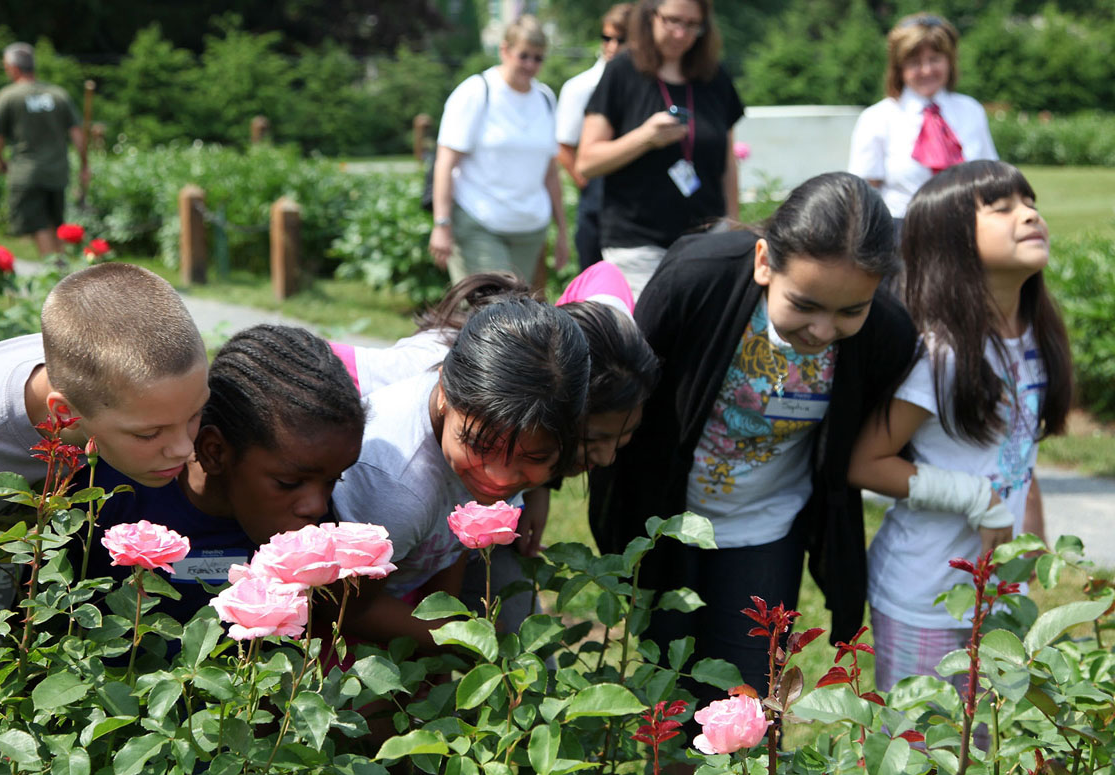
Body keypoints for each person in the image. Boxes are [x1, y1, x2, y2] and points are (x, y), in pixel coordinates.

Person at [588, 172, 918, 697]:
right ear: (765, 262)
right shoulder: (697, 277)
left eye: (850, 310)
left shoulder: (888, 333)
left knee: (751, 701)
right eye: (805, 305)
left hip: (767, 528)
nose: (823, 331)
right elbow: (623, 388)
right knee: (667, 698)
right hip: (670, 519)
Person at [0, 262, 208, 737]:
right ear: (64, 412)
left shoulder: (116, 375)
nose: (183, 448)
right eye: (150, 432)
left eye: (195, 414)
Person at [847, 161, 1071, 693]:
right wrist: (976, 497)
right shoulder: (942, 353)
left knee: (986, 755)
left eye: (1030, 201)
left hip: (994, 593)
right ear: (951, 241)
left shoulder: (1033, 335)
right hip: (926, 596)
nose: (1030, 214)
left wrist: (1028, 542)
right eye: (1003, 207)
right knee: (925, 759)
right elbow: (866, 462)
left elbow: (1019, 455)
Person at [331, 299, 591, 650]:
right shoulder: (397, 489)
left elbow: (451, 544)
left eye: (534, 457)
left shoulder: (485, 431)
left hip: (405, 598)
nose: (499, 478)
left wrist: (449, 620)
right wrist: (465, 644)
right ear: (444, 393)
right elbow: (350, 607)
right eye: (478, 445)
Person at [88, 325, 365, 621]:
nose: (318, 506)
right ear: (214, 452)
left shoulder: (318, 529)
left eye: (334, 480)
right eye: (289, 483)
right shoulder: (112, 496)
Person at [577, 0, 744, 298]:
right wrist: (644, 138)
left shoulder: (714, 77)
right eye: (672, 21)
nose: (681, 33)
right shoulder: (622, 72)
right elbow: (587, 162)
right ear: (650, 16)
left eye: (692, 25)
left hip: (708, 240)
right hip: (639, 247)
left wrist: (733, 226)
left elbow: (727, 161)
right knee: (649, 340)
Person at [428, 16, 568, 286]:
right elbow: (445, 163)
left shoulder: (545, 98)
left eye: (538, 58)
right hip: (480, 221)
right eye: (523, 55)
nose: (530, 65)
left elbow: (550, 171)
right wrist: (441, 224)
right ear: (505, 50)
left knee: (518, 315)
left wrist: (562, 230)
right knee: (490, 311)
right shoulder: (477, 91)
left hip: (529, 229)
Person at [847, 13, 998, 235]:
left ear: (949, 61)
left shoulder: (971, 110)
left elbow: (991, 176)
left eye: (935, 59)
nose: (926, 70)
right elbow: (864, 194)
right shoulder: (878, 118)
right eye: (915, 63)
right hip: (904, 233)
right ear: (899, 69)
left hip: (968, 231)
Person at [0, 42, 89, 257]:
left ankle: (54, 270)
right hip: (58, 172)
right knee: (55, 224)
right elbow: (77, 133)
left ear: (13, 67)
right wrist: (84, 165)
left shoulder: (9, 96)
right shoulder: (58, 94)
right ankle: (63, 271)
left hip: (26, 172)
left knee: (36, 224)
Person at [557, 4, 634, 269]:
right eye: (607, 38)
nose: (612, 46)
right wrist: (587, 184)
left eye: (621, 39)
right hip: (598, 193)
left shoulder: (646, 85)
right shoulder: (581, 86)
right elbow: (564, 146)